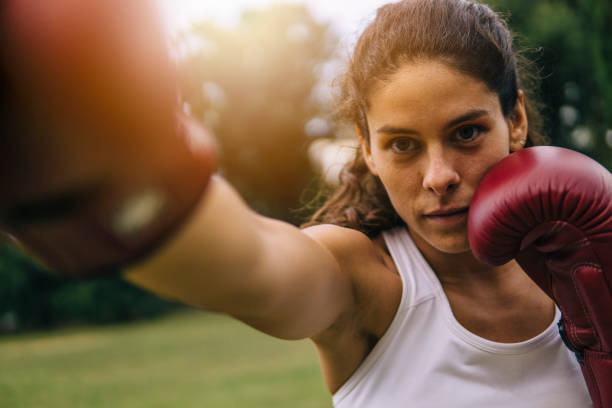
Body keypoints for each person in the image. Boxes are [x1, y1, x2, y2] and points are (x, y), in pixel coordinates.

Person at [2, 0, 609, 406]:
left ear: (517, 119)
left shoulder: (584, 254)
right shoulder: (365, 279)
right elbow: (256, 268)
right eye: (402, 145)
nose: (439, 176)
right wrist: (101, 181)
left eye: (467, 133)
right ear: (367, 149)